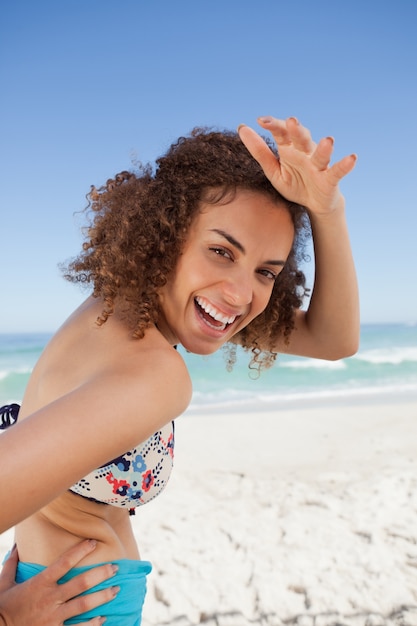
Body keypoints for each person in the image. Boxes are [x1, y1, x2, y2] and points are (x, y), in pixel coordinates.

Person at [0, 115, 359, 624]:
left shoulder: (124, 304)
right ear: (165, 236)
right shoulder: (155, 374)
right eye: (220, 252)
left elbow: (334, 339)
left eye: (265, 273)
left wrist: (328, 210)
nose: (239, 294)